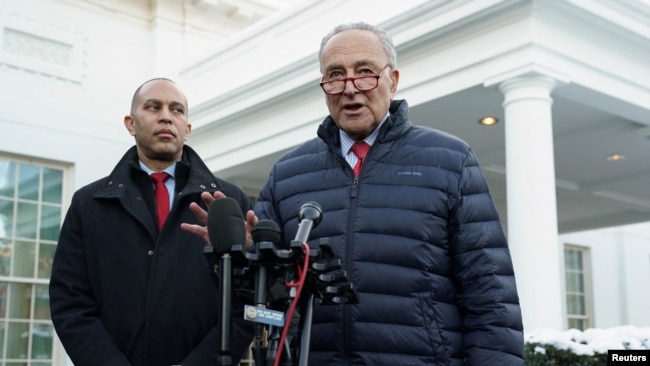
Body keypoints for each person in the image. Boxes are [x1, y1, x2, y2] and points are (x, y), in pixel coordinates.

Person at [186, 22, 525, 365]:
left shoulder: (451, 161)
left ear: (392, 80)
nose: (350, 88)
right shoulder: (287, 173)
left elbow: (490, 294)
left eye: (365, 72)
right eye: (335, 74)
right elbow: (270, 304)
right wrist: (245, 257)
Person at [49, 78, 254, 366]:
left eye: (177, 110)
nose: (166, 116)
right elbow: (70, 302)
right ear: (131, 124)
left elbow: (246, 304)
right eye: (153, 107)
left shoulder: (228, 201)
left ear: (188, 129)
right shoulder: (88, 203)